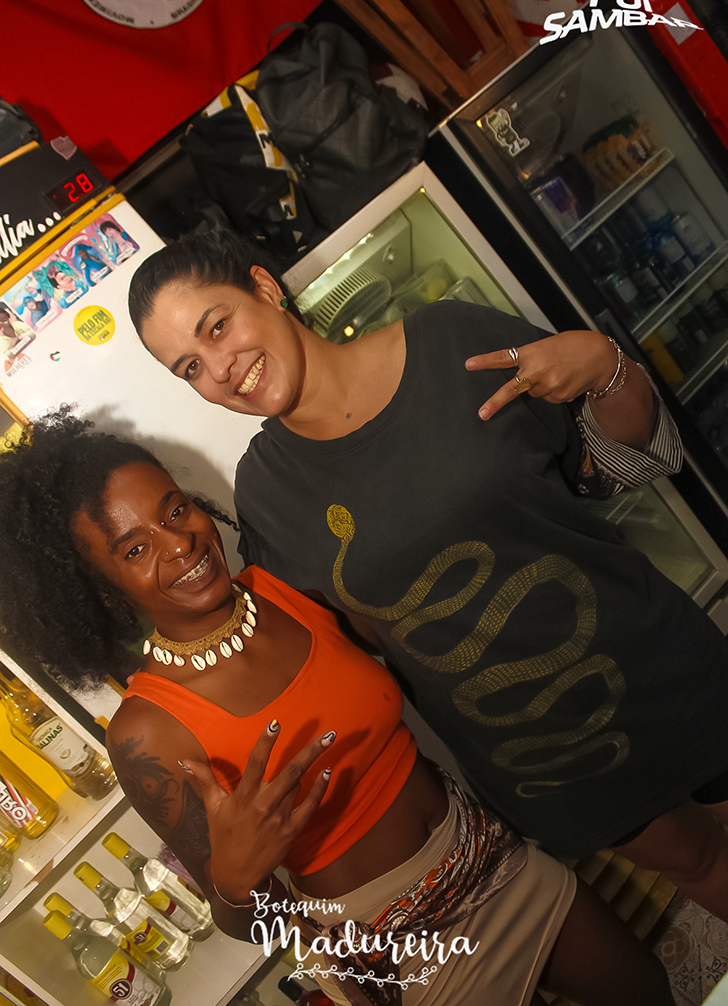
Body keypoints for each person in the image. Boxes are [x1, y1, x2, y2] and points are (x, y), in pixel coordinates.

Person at [0, 410, 678, 1006]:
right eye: (134, 549)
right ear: (101, 589)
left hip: (483, 850)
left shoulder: (284, 587)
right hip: (399, 953)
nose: (178, 543)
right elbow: (248, 922)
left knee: (648, 992)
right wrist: (235, 881)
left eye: (174, 510)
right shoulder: (148, 731)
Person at [128, 229, 728, 922]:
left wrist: (605, 366)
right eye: (190, 368)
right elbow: (341, 649)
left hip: (657, 663)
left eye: (217, 327)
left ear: (264, 287)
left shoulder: (451, 342)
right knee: (698, 862)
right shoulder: (266, 491)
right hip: (542, 755)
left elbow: (614, 468)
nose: (220, 369)